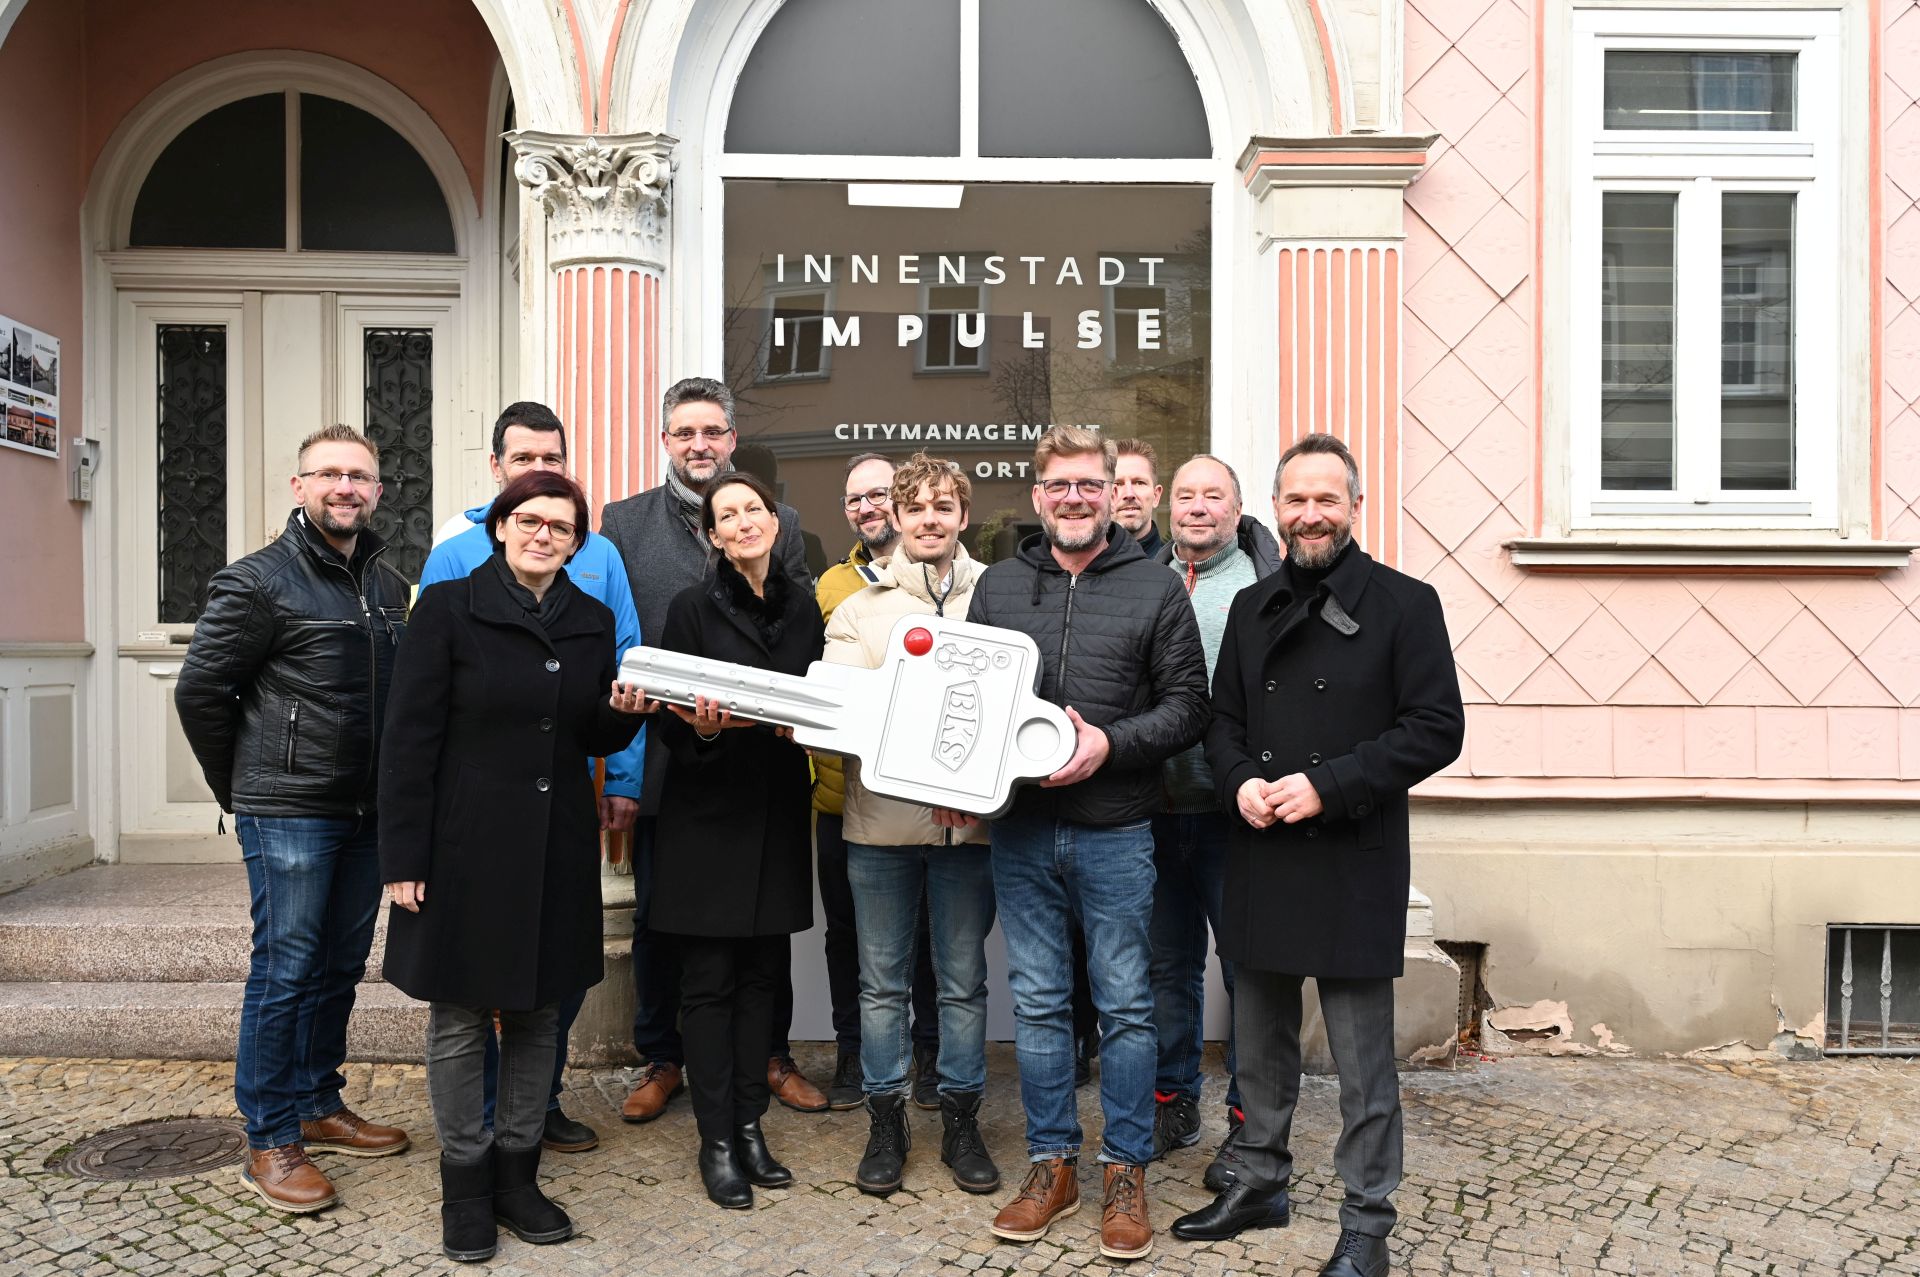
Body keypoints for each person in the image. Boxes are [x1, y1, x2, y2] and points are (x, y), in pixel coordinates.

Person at [1172, 434, 1464, 1277]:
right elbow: (1222, 721)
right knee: (1259, 1043)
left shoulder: (1407, 603)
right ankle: (1260, 1181)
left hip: (1351, 856)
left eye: (1326, 499)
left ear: (1354, 507)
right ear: (1276, 507)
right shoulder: (1253, 605)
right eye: (1295, 500)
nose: (1310, 515)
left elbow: (1436, 728)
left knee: (1363, 1064)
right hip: (1262, 847)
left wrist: (1326, 786)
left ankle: (1367, 1223)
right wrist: (1239, 783)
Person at [379, 471, 645, 1262]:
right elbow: (408, 739)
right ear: (500, 525)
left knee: (539, 1014)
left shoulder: (593, 619)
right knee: (461, 1016)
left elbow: (587, 734)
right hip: (463, 844)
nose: (542, 535)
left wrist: (620, 716)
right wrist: (404, 855)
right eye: (529, 520)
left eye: (560, 527)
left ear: (576, 542)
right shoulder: (448, 608)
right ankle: (465, 1186)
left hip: (556, 845)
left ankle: (518, 1177)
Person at [960, 425, 1210, 1262]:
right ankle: (1052, 1164)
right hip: (1023, 830)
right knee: (1037, 1002)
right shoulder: (999, 585)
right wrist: (961, 786)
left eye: (1089, 484)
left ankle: (1125, 1170)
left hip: (1117, 830)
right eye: (1059, 484)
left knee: (1127, 1004)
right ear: (1038, 496)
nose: (1074, 497)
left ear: (1113, 493)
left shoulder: (1155, 586)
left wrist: (1110, 742)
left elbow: (1189, 705)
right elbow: (966, 701)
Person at [174, 423, 413, 1213]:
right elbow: (200, 694)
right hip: (290, 811)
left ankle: (317, 1101)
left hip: (366, 811)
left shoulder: (388, 582)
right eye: (330, 474)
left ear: (377, 491)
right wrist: (244, 787)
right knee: (286, 970)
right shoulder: (257, 581)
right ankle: (270, 1136)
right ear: (299, 486)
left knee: (340, 966)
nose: (346, 487)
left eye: (359, 476)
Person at [418, 401, 644, 1156]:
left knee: (552, 985)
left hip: (560, 813)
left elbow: (619, 676)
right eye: (525, 460)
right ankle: (478, 1130)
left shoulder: (597, 566)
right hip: (475, 818)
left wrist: (625, 771)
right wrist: (410, 847)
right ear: (498, 476)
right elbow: (418, 721)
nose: (540, 476)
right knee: (470, 991)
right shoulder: (453, 565)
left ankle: (532, 1113)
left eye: (553, 460)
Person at [597, 377, 826, 1122]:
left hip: (766, 773)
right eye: (685, 432)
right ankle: (663, 1057)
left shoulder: (787, 525)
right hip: (671, 759)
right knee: (662, 921)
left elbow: (805, 645)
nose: (700, 444)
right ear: (666, 440)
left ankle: (770, 1056)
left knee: (764, 928)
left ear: (732, 439)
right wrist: (625, 762)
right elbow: (618, 634)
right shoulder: (623, 522)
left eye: (713, 431)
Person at [632, 472, 826, 1209]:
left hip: (776, 812)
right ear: (712, 535)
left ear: (776, 523)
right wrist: (706, 729)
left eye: (755, 509)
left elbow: (817, 702)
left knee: (762, 983)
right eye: (728, 514)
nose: (744, 521)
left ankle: (750, 1127)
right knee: (709, 986)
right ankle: (715, 1139)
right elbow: (668, 719)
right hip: (705, 818)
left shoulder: (804, 607)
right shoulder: (691, 607)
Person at [823, 453, 999, 1198]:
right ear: (894, 517)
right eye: (916, 507)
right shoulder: (859, 609)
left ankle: (961, 1119)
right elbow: (845, 713)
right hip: (881, 829)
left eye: (943, 506)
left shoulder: (1000, 594)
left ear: (963, 516)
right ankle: (886, 1120)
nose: (930, 519)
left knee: (962, 983)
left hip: (972, 832)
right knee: (882, 986)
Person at [1145, 456, 1281, 1177]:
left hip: (1237, 815)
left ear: (1237, 508)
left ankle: (1248, 1119)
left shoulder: (1263, 585)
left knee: (1246, 969)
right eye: (1186, 495)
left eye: (1213, 496)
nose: (1198, 507)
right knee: (1167, 967)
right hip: (1155, 810)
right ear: (1168, 506)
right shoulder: (1145, 579)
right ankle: (1173, 1099)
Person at [814, 452, 944, 1111]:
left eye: (879, 494)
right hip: (841, 797)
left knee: (926, 937)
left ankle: (930, 1054)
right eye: (854, 499)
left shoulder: (945, 577)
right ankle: (853, 1051)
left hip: (924, 798)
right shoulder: (830, 585)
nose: (867, 507)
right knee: (848, 936)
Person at [1111, 438, 1166, 558]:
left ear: (1156, 496)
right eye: (1118, 484)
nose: (1129, 494)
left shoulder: (1174, 566)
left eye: (1139, 483)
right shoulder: (1082, 565)